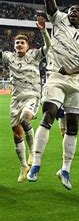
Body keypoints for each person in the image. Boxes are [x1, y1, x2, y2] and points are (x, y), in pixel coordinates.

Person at [27, 0, 79, 190]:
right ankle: (36, 163)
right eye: (71, 9)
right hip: (56, 76)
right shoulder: (59, 20)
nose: (73, 12)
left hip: (76, 81)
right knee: (49, 114)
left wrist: (72, 69)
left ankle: (65, 170)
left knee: (73, 125)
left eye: (77, 11)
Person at [1, 16, 51, 182]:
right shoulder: (9, 57)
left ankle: (32, 151)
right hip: (15, 99)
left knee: (26, 118)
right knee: (16, 134)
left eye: (22, 43)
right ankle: (23, 165)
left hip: (32, 94)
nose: (19, 45)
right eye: (17, 43)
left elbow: (49, 47)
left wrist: (43, 30)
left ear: (28, 46)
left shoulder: (34, 55)